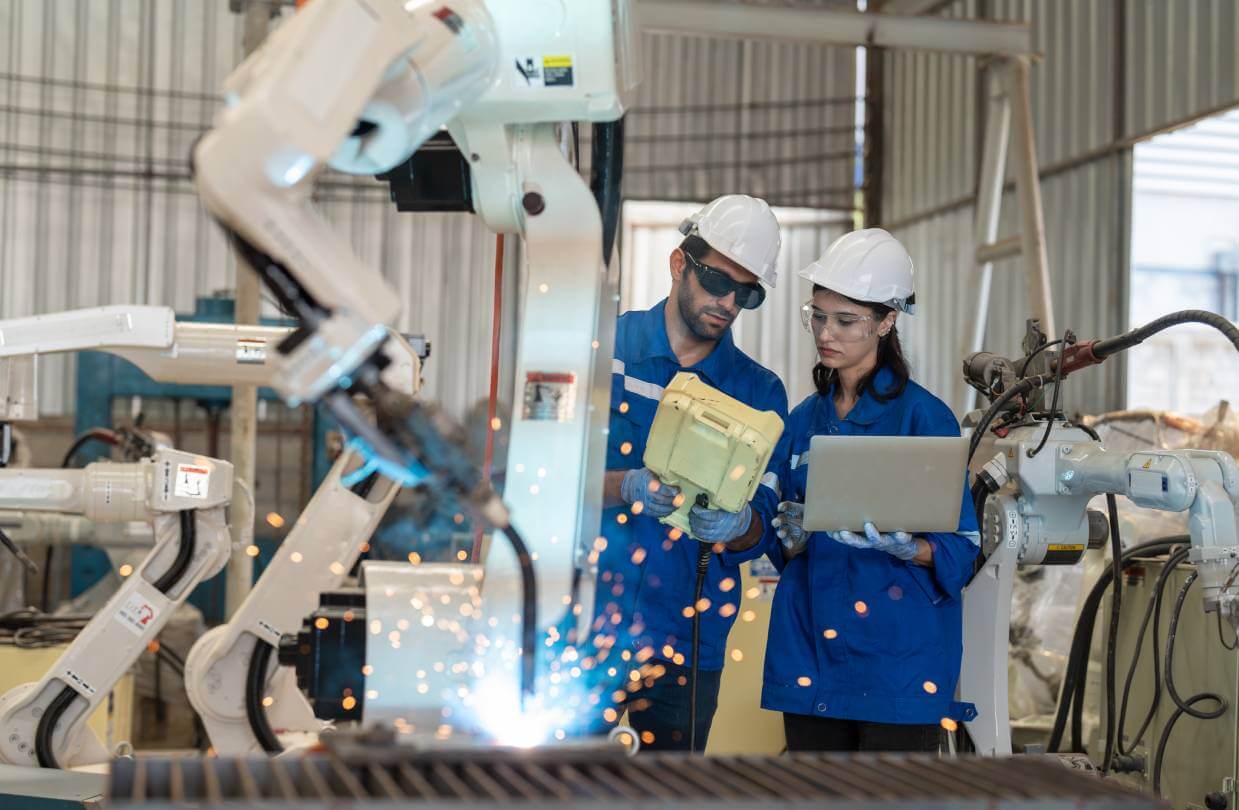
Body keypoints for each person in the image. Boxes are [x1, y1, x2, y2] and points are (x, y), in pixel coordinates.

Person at [761, 228, 980, 752]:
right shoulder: (802, 421)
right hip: (811, 653)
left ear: (886, 321)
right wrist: (785, 534)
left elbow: (964, 547)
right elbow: (775, 533)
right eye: (818, 316)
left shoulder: (924, 419)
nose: (825, 333)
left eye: (845, 320)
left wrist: (910, 547)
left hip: (897, 662)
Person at [591, 194, 788, 751]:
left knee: (672, 790)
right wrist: (624, 486)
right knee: (564, 784)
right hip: (588, 625)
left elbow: (763, 527)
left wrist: (739, 525)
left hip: (687, 639)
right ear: (680, 264)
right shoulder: (605, 352)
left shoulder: (759, 394)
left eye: (746, 293)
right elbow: (549, 478)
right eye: (717, 281)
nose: (728, 303)